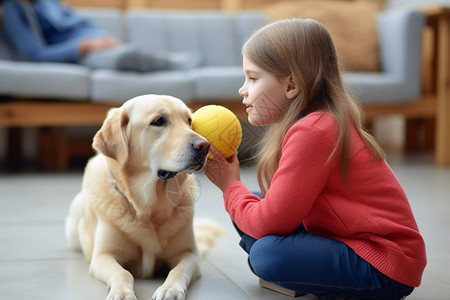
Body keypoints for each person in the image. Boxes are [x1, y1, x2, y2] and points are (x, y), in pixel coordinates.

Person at [204, 18, 426, 299]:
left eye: (253, 77)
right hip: (343, 239)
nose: (243, 89)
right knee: (253, 201)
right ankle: (306, 273)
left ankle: (299, 274)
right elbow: (277, 215)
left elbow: (270, 224)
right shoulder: (319, 122)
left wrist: (228, 186)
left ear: (291, 85)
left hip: (383, 263)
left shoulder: (314, 131)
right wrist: (236, 192)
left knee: (266, 254)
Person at [1, 0, 199, 71]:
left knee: (127, 52)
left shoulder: (47, 2)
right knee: (128, 57)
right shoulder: (13, 9)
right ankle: (176, 63)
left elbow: (74, 22)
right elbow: (35, 55)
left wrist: (98, 38)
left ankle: (174, 61)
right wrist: (85, 45)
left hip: (95, 40)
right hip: (80, 50)